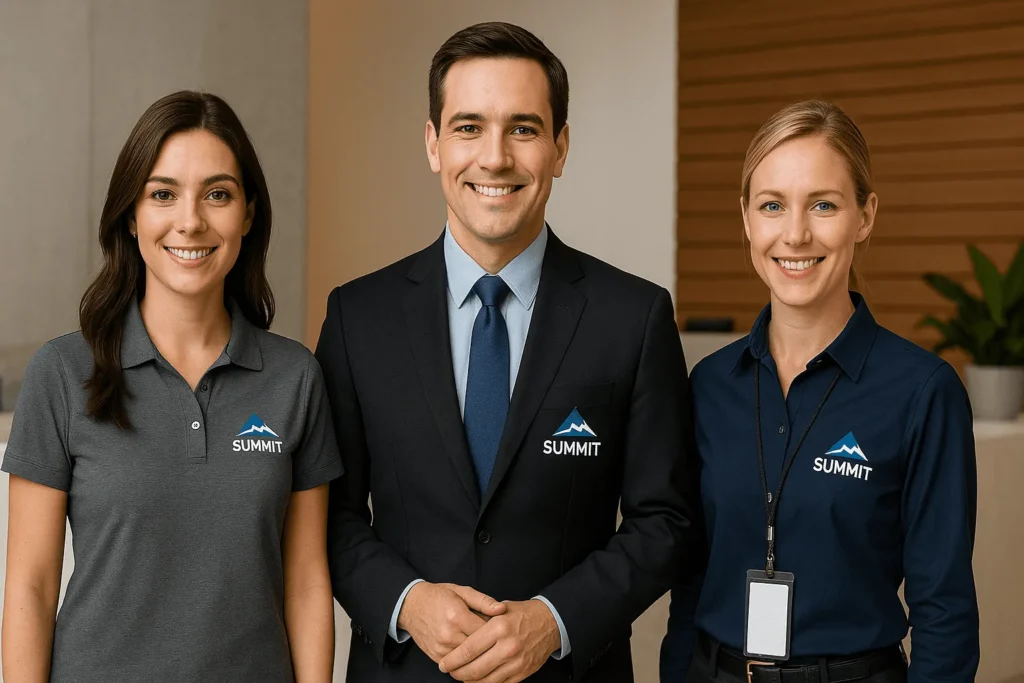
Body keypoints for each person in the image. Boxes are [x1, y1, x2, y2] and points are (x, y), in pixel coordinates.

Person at [314, 21, 700, 683]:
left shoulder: (632, 317)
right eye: (468, 127)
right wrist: (407, 602)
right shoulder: (357, 316)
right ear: (433, 144)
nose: (494, 157)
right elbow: (328, 515)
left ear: (560, 147)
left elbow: (666, 518)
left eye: (523, 128)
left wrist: (555, 618)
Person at [1, 91, 343, 683]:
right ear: (131, 216)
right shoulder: (60, 374)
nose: (191, 221)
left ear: (248, 214)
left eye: (217, 194)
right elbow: (30, 588)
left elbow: (308, 583)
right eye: (163, 194)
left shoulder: (295, 378)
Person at [660, 100, 980, 683]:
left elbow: (945, 609)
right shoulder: (707, 385)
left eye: (824, 205)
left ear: (865, 216)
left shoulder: (923, 392)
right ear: (747, 220)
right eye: (772, 205)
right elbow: (691, 581)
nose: (795, 233)